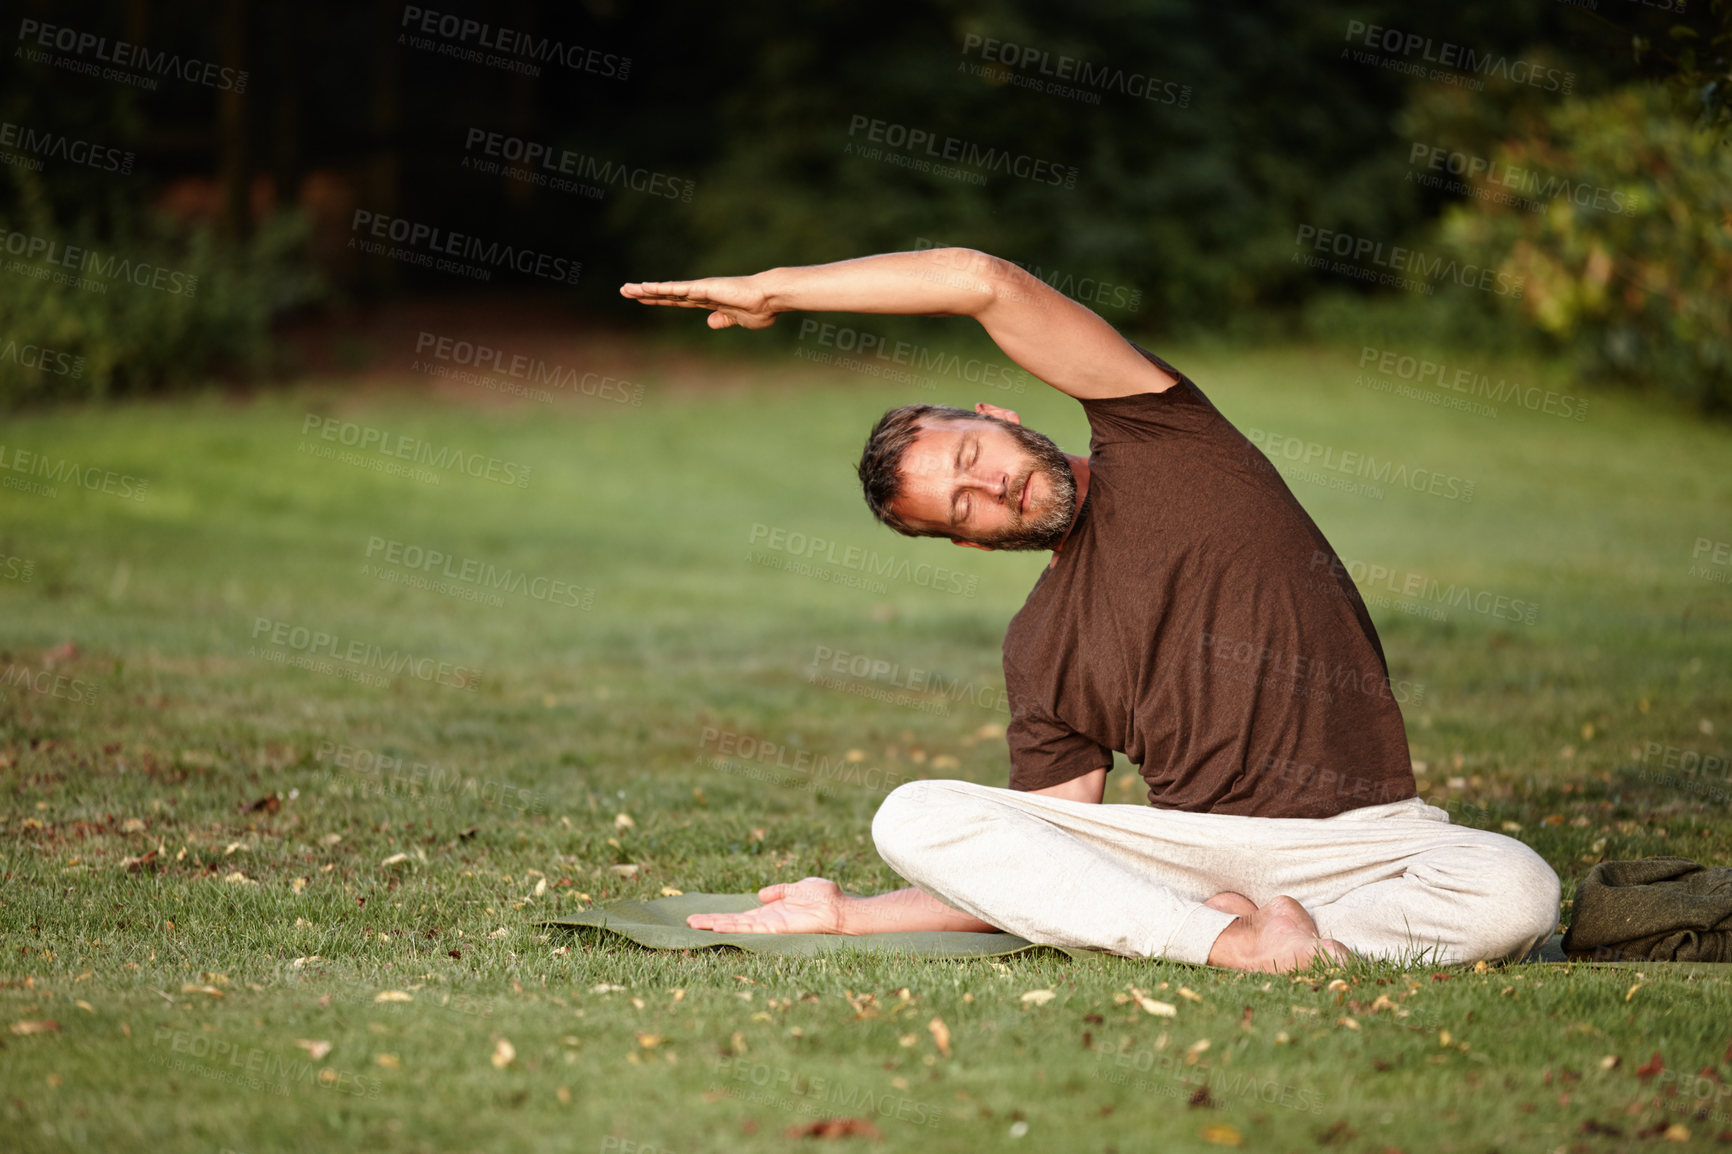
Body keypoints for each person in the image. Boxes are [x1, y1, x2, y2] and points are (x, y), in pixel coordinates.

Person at [620, 247, 1561, 972]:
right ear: (968, 544)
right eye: (961, 508)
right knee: (917, 816)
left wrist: (775, 290)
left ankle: (1270, 939)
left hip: (1369, 841)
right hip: (1194, 853)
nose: (987, 488)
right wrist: (849, 914)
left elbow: (980, 280)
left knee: (1517, 890)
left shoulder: (1164, 434)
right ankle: (1233, 943)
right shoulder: (1040, 652)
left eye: (969, 456)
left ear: (1002, 414)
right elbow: (1038, 859)